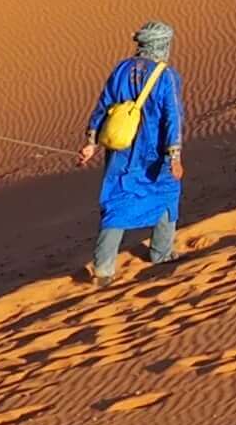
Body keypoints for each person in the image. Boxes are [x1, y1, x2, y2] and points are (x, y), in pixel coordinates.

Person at [77, 22, 187, 282]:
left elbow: (103, 105)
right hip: (154, 151)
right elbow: (173, 117)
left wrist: (91, 142)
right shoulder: (166, 76)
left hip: (121, 150)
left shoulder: (121, 69)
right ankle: (161, 252)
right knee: (166, 193)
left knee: (117, 201)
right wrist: (175, 156)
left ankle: (103, 269)